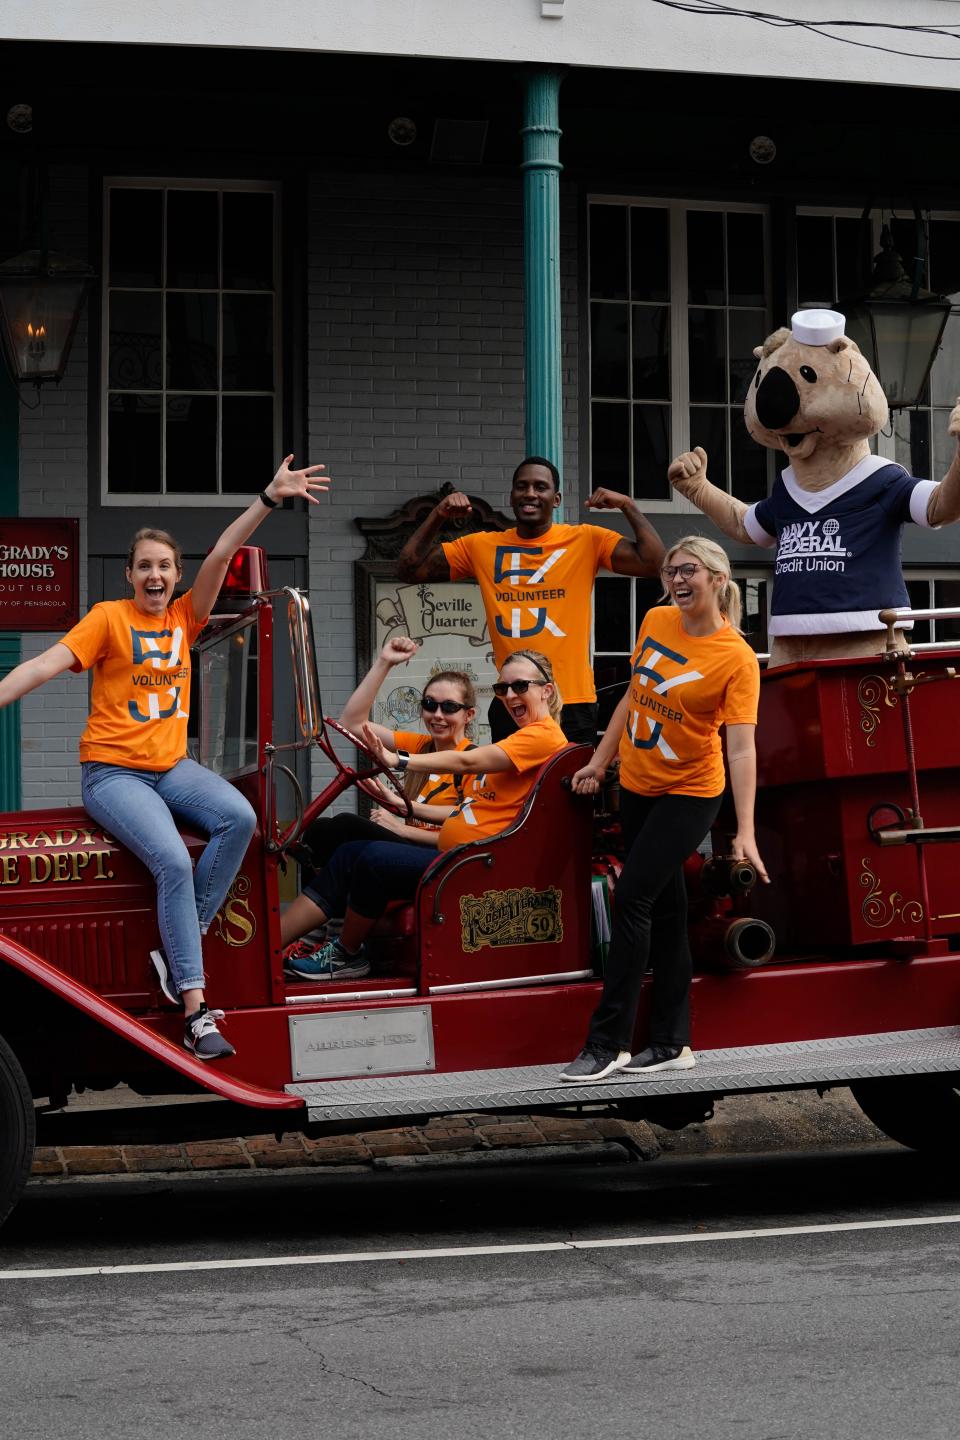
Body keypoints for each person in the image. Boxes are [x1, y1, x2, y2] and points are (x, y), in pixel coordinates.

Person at [0, 455, 329, 1060]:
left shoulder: (186, 615)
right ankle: (197, 1010)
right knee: (174, 863)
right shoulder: (108, 619)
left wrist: (269, 496)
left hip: (171, 769)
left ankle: (181, 948)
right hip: (113, 773)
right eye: (145, 566)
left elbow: (224, 553)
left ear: (177, 575)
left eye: (165, 566)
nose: (156, 575)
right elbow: (43, 664)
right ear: (129, 575)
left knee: (241, 819)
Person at [559, 536, 767, 1083]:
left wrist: (744, 830)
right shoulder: (655, 620)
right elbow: (633, 693)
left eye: (688, 570)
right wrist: (601, 762)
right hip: (638, 784)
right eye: (671, 570)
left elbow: (741, 748)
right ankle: (673, 1042)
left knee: (631, 897)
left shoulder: (736, 657)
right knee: (667, 912)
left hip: (693, 792)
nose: (676, 580)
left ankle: (608, 1043)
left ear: (718, 579)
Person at [280, 649, 569, 982]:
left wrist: (397, 763)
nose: (510, 696)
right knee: (342, 842)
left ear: (546, 690)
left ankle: (337, 952)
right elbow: (471, 811)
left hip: (471, 863)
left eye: (520, 686)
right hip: (462, 854)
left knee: (367, 856)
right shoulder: (512, 740)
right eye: (503, 689)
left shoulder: (539, 737)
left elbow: (467, 764)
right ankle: (296, 946)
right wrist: (405, 807)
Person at [396, 457, 665, 747]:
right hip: (513, 701)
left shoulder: (585, 540)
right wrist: (438, 514)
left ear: (557, 498)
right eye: (522, 486)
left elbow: (655, 562)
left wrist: (627, 504)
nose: (530, 493)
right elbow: (409, 568)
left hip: (571, 700)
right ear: (512, 496)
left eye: (541, 487)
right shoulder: (481, 546)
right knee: (511, 792)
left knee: (569, 790)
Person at [283, 636, 477, 973]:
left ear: (469, 714)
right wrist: (384, 662)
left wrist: (402, 827)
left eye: (449, 708)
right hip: (411, 848)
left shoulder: (473, 760)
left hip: (445, 859)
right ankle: (312, 936)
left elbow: (467, 833)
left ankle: (338, 946)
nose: (437, 715)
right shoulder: (421, 747)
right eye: (430, 705)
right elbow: (352, 723)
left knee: (355, 840)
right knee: (327, 828)